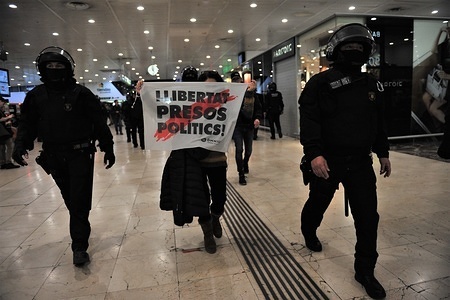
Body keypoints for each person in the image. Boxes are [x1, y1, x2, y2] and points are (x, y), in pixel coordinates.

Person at [298, 24, 391, 299]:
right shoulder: (320, 83)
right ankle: (308, 230)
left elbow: (379, 122)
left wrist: (383, 151)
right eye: (348, 48)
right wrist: (314, 153)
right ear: (336, 51)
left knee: (368, 218)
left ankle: (364, 270)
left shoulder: (372, 84)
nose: (354, 52)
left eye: (359, 48)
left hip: (361, 163)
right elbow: (310, 119)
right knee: (318, 203)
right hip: (327, 160)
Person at [12, 46, 116, 267]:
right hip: (53, 156)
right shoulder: (35, 96)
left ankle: (79, 246)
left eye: (59, 66)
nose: (54, 70)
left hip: (80, 154)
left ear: (68, 68)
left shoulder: (81, 94)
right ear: (41, 69)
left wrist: (108, 146)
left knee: (78, 199)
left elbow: (98, 122)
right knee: (70, 198)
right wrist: (20, 144)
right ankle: (81, 227)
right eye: (49, 66)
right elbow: (27, 123)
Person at [160, 67, 223, 254]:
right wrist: (142, 94)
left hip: (217, 158)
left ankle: (215, 217)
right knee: (201, 198)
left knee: (220, 198)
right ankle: (207, 233)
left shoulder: (225, 102)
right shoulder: (186, 104)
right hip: (195, 160)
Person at [231, 71, 262, 185]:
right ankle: (241, 174)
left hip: (249, 127)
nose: (237, 83)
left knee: (248, 151)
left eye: (238, 81)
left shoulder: (252, 94)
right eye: (234, 81)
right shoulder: (232, 95)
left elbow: (258, 108)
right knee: (239, 149)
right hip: (237, 127)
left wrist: (257, 118)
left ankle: (245, 163)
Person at [0, 96, 19, 169]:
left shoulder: (1, 110)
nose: (3, 104)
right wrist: (9, 117)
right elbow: (1, 119)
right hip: (3, 132)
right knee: (10, 145)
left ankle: (3, 163)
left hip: (3, 131)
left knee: (2, 147)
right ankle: (8, 162)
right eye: (2, 102)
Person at [130, 80, 145, 149]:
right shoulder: (131, 97)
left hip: (140, 117)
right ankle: (135, 143)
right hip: (132, 118)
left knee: (141, 132)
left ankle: (142, 144)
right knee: (133, 132)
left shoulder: (141, 96)